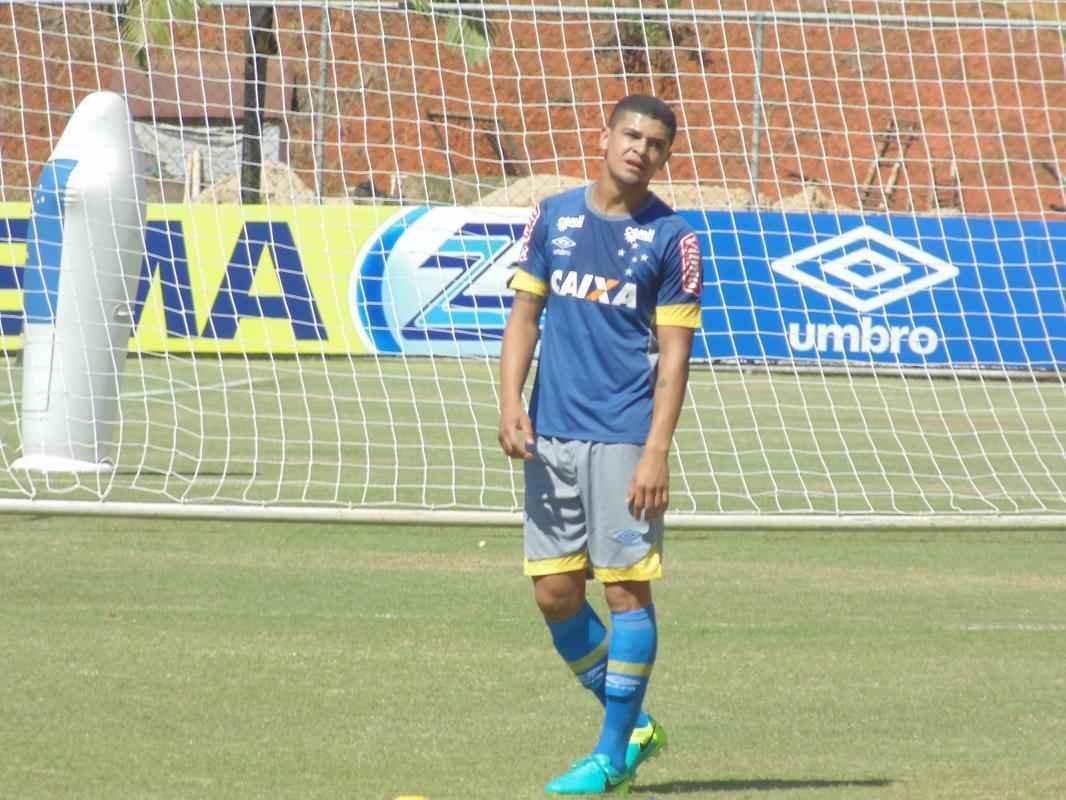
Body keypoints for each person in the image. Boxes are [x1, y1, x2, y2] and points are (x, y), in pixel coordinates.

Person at [497, 94, 703, 796]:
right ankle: (637, 725)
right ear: (606, 136)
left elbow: (674, 357)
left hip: (623, 437)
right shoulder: (552, 216)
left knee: (624, 591)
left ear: (664, 158)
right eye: (631, 134)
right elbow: (524, 316)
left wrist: (656, 449)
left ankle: (611, 756)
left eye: (654, 143)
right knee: (555, 593)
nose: (639, 149)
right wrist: (509, 404)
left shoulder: (673, 237)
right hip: (551, 434)